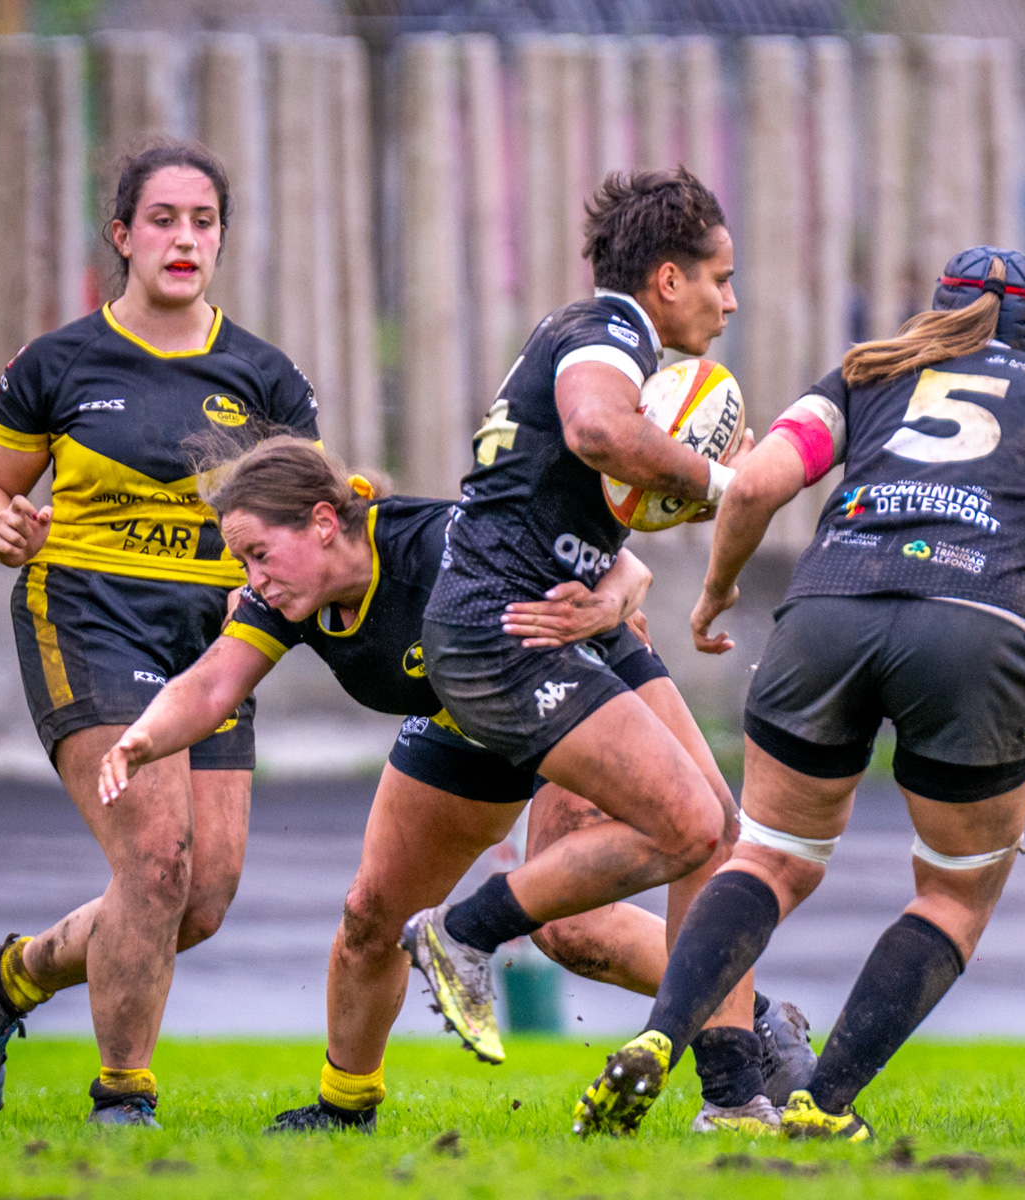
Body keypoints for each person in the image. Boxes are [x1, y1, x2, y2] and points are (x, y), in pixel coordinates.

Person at [573, 246, 1025, 1139]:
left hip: (828, 615)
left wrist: (717, 591)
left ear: (938, 307)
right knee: (954, 896)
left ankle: (661, 1040)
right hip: (972, 628)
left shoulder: (867, 373)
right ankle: (824, 1098)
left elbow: (759, 486)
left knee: (768, 859)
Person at [94, 437, 814, 1132]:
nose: (253, 577)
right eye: (244, 561)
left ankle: (741, 1034)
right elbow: (214, 681)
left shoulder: (440, 541)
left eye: (257, 552)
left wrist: (615, 591)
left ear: (321, 523)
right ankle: (345, 1107)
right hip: (467, 719)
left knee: (577, 925)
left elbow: (619, 565)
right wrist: (143, 738)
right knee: (371, 913)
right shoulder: (286, 601)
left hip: (579, 681)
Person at [406, 166, 789, 1128]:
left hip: (573, 620)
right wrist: (718, 484)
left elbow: (603, 492)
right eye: (719, 279)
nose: (732, 301)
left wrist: (631, 572)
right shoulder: (603, 331)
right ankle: (462, 930)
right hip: (504, 629)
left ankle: (734, 1095)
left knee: (723, 838)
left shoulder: (627, 350)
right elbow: (595, 431)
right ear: (668, 280)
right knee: (691, 828)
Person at [0, 140, 321, 1127]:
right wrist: (1, 527)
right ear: (123, 235)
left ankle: (9, 977)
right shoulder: (59, 365)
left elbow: (303, 526)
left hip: (214, 641)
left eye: (204, 221)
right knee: (155, 862)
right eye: (163, 219)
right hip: (86, 617)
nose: (185, 238)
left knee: (197, 899)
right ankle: (124, 1101)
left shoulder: (266, 379)